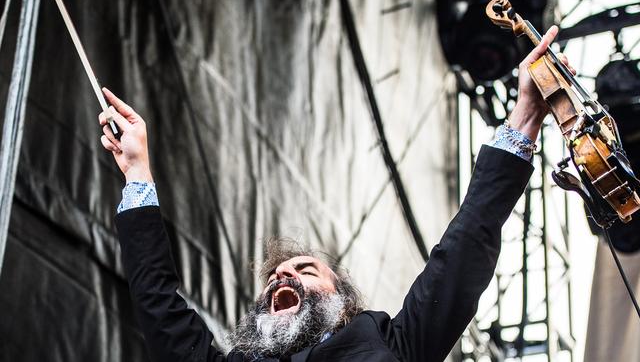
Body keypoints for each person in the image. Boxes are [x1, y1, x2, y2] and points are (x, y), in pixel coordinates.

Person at [98, 26, 573, 362]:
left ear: (343, 302)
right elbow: (156, 298)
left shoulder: (391, 343)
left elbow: (465, 249)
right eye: (274, 278)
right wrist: (138, 172)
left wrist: (526, 114)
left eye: (304, 270)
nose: (281, 277)